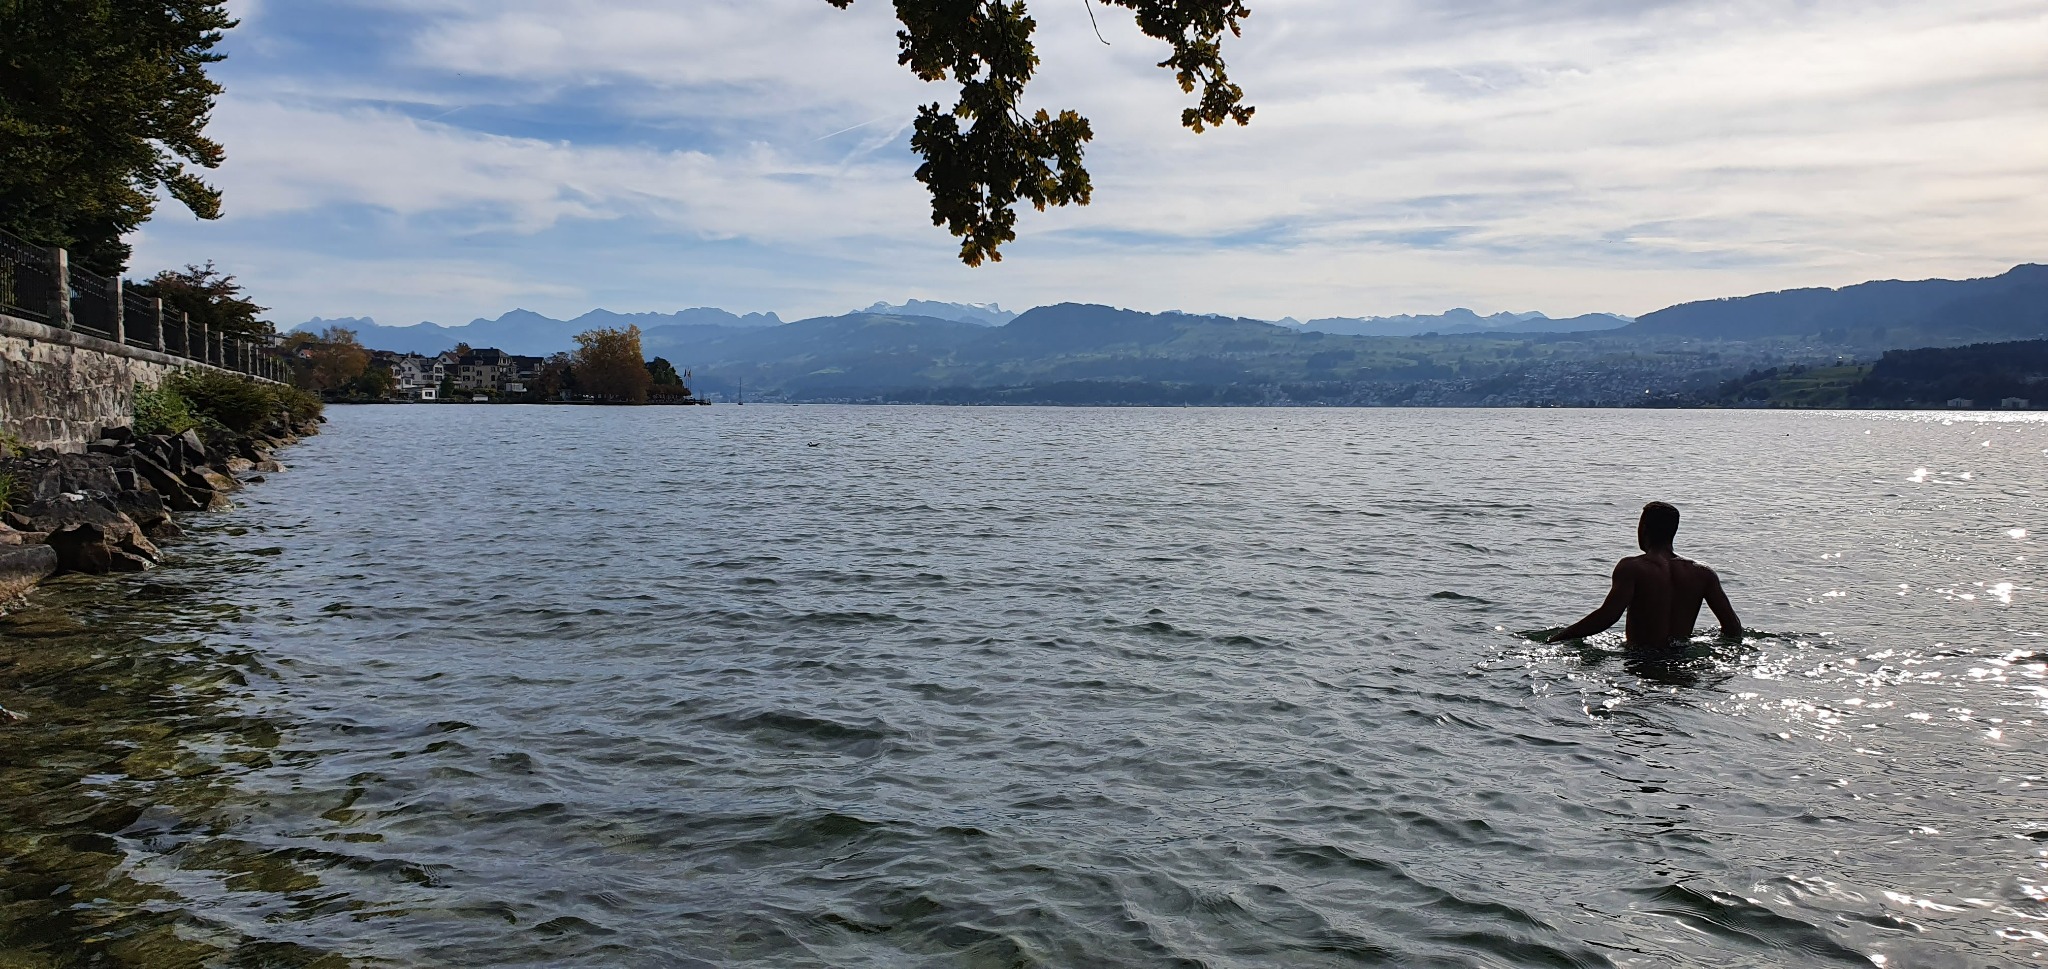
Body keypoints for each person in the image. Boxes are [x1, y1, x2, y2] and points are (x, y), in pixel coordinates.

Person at [1547, 501, 1741, 648]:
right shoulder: (1703, 573)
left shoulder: (1632, 567)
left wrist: (1556, 639)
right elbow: (1732, 627)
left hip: (1640, 658)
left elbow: (1608, 616)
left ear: (1643, 530)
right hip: (1680, 659)